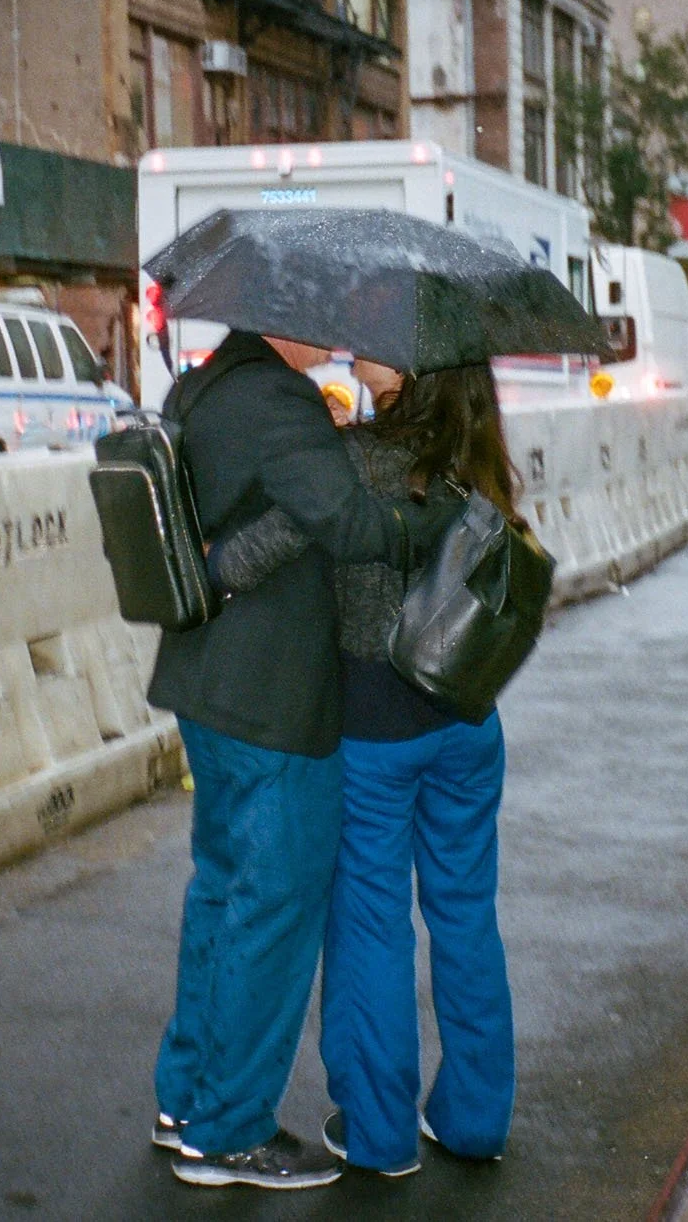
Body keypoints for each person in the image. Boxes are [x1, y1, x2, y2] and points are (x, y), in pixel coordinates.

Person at [146, 331, 458, 1190]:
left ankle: (187, 1100)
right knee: (273, 909)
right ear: (273, 318)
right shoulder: (277, 403)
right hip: (271, 697)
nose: (332, 327)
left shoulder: (204, 387)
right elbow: (352, 524)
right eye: (312, 314)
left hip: (209, 680)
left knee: (221, 894)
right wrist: (435, 512)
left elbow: (268, 512)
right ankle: (229, 1130)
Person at [209, 357, 520, 1177]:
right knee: (465, 919)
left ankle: (381, 1134)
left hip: (376, 729)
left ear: (410, 370)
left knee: (372, 924)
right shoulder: (480, 460)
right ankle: (476, 1118)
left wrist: (207, 557)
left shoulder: (356, 459)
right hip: (468, 721)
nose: (358, 351)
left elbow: (251, 556)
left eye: (378, 347)